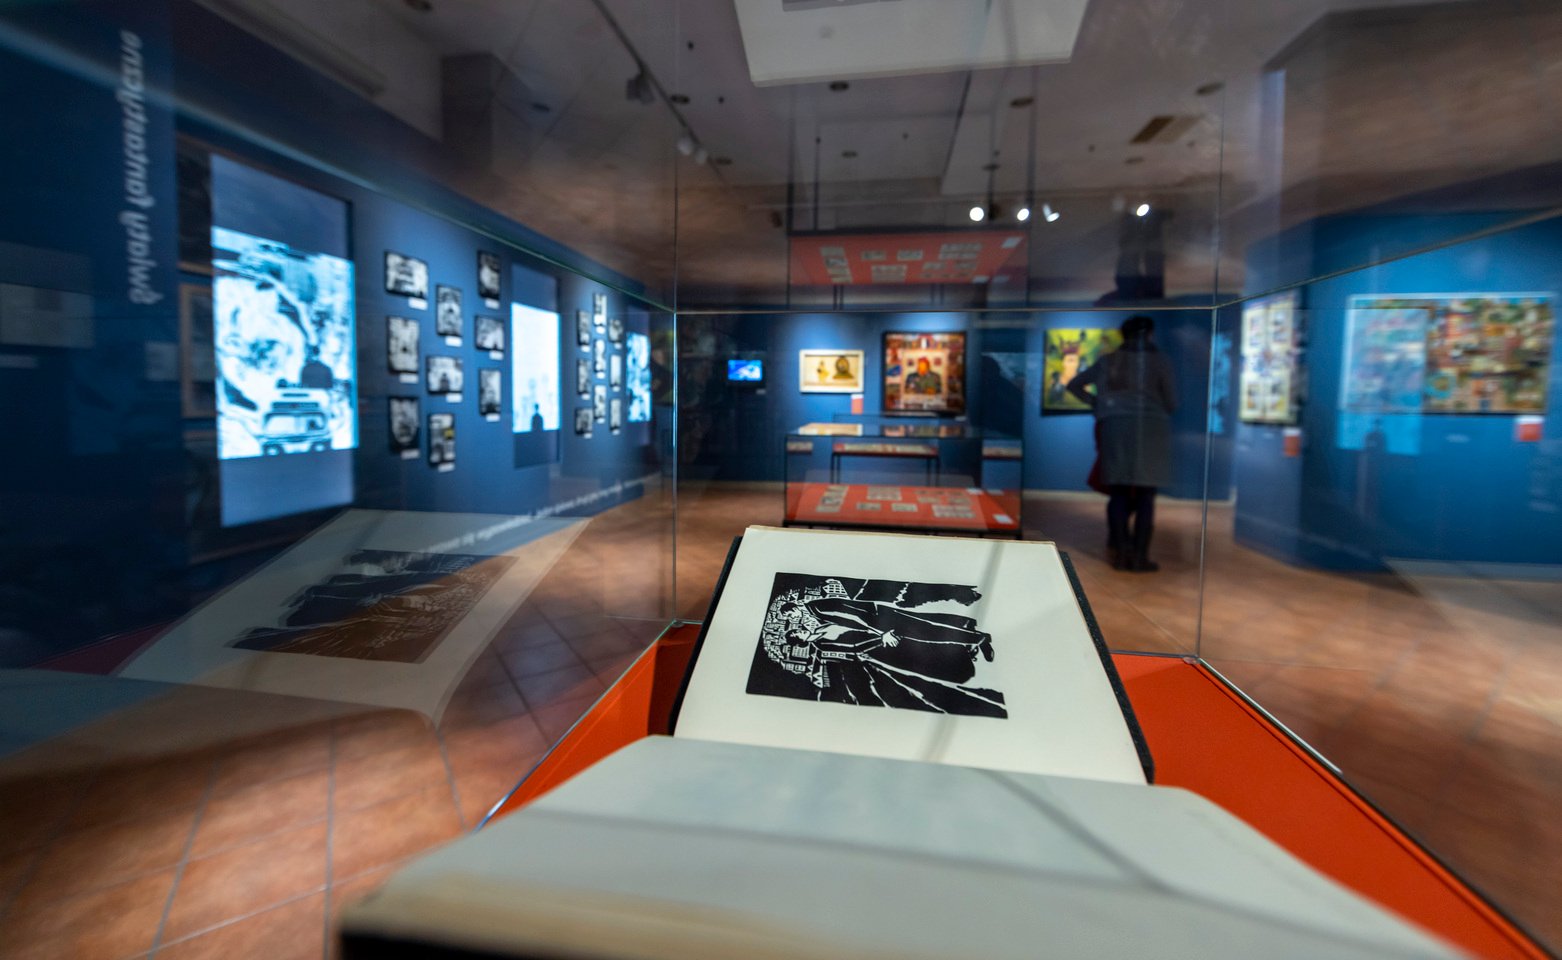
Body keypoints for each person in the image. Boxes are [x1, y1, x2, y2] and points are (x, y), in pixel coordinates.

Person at [1067, 315, 1176, 572]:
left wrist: (1100, 405)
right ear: (1149, 334)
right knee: (1146, 494)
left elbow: (1074, 385)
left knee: (1119, 492)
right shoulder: (1160, 361)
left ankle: (1121, 553)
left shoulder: (1109, 361)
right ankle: (1139, 556)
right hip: (1151, 428)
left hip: (1115, 427)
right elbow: (1172, 401)